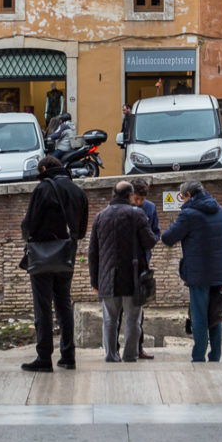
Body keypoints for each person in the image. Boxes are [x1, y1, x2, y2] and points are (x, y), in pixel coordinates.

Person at [20, 154, 88, 372]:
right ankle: (68, 357)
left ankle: (44, 358)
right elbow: (82, 230)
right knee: (64, 304)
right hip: (66, 255)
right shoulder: (78, 192)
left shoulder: (43, 189)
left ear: (42, 170)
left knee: (43, 307)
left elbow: (29, 224)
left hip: (42, 255)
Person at [88, 180, 157, 362]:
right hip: (133, 277)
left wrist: (94, 281)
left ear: (113, 194)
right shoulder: (137, 214)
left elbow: (93, 252)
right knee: (132, 320)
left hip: (107, 277)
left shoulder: (100, 217)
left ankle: (111, 355)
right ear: (130, 195)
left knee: (110, 320)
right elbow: (150, 242)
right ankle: (130, 355)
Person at [161, 179, 222, 363]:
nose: (182, 201)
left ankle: (198, 356)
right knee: (216, 313)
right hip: (218, 271)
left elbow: (167, 238)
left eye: (182, 198)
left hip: (199, 273)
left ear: (188, 195)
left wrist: (177, 220)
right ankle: (215, 355)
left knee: (199, 316)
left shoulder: (189, 214)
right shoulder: (220, 210)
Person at [130, 179, 160, 359]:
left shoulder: (150, 208)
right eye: (136, 199)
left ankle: (138, 348)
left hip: (143, 264)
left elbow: (156, 232)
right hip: (125, 263)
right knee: (120, 311)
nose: (139, 203)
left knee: (140, 308)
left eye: (142, 199)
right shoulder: (124, 208)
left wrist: (150, 242)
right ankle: (116, 348)